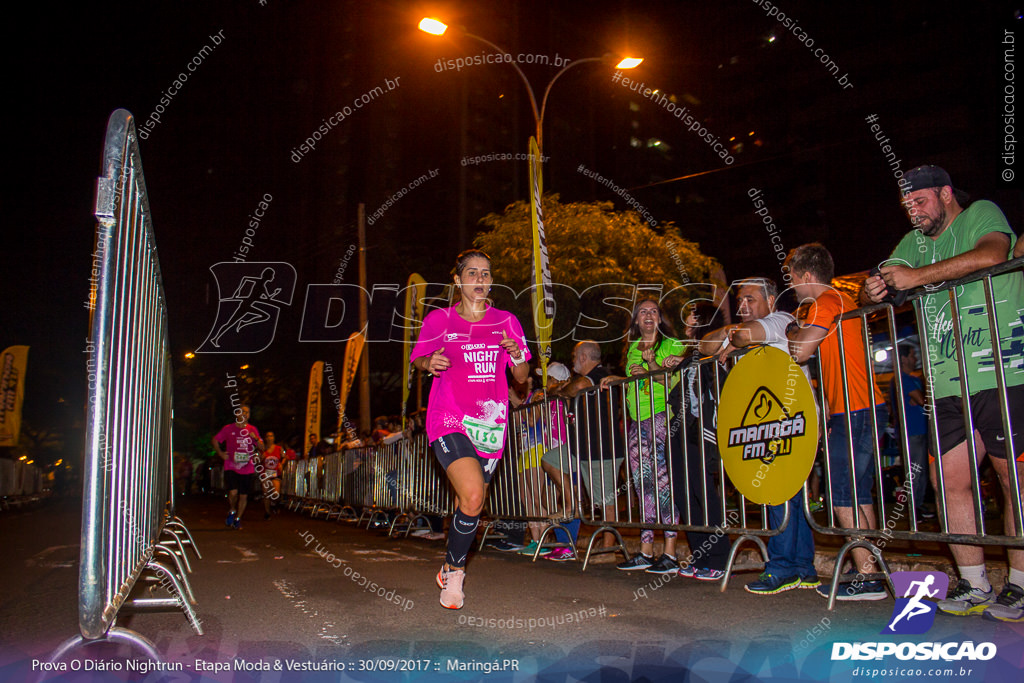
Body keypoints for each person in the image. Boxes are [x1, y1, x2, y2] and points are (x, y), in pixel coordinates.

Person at [862, 165, 1024, 619]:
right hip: (947, 381)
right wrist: (874, 288)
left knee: (1012, 481)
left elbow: (994, 254)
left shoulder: (979, 214)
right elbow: (886, 276)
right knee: (950, 483)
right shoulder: (913, 243)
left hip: (1000, 371)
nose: (913, 212)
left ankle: (1020, 584)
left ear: (946, 193)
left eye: (920, 201)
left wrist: (916, 278)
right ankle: (974, 585)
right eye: (906, 205)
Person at [410, 249, 530, 609]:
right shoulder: (439, 320)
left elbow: (522, 378)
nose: (480, 280)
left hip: (490, 421)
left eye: (486, 274)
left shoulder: (507, 321)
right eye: (473, 273)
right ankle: (457, 573)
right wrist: (429, 361)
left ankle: (448, 563)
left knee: (470, 504)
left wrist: (518, 355)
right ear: (458, 280)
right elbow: (418, 358)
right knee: (474, 494)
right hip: (448, 417)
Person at [692, 278, 819, 591]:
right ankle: (803, 566)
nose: (742, 305)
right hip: (767, 423)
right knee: (789, 494)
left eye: (750, 298)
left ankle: (782, 567)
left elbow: (748, 334)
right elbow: (705, 346)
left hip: (790, 418)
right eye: (740, 300)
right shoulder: (745, 329)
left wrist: (738, 337)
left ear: (771, 299)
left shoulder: (782, 320)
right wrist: (730, 334)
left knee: (779, 493)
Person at [788, 243, 888, 600]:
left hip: (857, 408)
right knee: (857, 492)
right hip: (855, 408)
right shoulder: (837, 302)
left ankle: (868, 576)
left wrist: (794, 333)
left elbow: (801, 351)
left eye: (793, 278)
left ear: (807, 276)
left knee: (845, 493)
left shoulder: (826, 302)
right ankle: (868, 567)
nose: (793, 286)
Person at [605, 299, 684, 574]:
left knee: (663, 484)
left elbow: (675, 382)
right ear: (636, 321)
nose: (648, 315)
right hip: (636, 421)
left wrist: (651, 367)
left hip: (662, 417)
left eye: (653, 311)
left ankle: (671, 554)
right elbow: (631, 382)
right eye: (642, 312)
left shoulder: (672, 345)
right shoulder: (632, 350)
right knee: (642, 485)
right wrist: (616, 378)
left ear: (660, 318)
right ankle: (646, 551)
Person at [548, 341, 625, 559]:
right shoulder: (588, 376)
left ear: (583, 357)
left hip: (602, 448)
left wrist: (563, 389)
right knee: (550, 460)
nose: (573, 361)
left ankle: (608, 548)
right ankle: (571, 504)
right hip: (581, 446)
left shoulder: (600, 373)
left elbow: (577, 388)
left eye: (574, 357)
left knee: (605, 501)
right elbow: (567, 390)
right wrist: (562, 390)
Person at [889, 344, 931, 521]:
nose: (915, 359)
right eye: (913, 355)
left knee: (920, 471)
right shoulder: (901, 379)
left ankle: (918, 506)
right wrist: (921, 397)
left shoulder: (911, 378)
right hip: (911, 431)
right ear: (903, 358)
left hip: (919, 430)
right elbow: (922, 400)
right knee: (914, 472)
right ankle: (913, 510)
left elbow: (920, 399)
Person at [212, 404, 264, 530]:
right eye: (243, 411)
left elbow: (262, 448)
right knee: (233, 492)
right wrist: (220, 453)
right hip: (231, 465)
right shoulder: (228, 429)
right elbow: (215, 440)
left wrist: (256, 439)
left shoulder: (252, 429)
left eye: (248, 412)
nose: (245, 414)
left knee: (244, 495)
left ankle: (238, 519)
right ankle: (232, 509)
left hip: (247, 467)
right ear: (237, 414)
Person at [261, 431, 283, 518]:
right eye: (268, 436)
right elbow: (257, 459)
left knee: (275, 493)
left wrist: (281, 463)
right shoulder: (262, 449)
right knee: (266, 493)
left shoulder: (279, 448)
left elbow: (285, 457)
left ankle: (274, 503)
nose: (270, 438)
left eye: (271, 436)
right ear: (265, 438)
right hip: (265, 474)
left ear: (274, 438)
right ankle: (267, 512)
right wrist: (260, 457)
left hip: (275, 474)